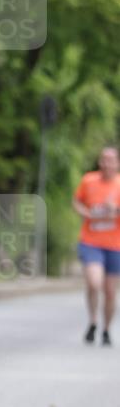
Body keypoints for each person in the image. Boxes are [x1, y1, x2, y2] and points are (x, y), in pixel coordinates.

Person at [72, 145, 120, 346]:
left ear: (117, 163)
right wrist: (84, 211)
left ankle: (106, 329)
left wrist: (115, 209)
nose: (106, 163)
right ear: (99, 162)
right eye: (103, 159)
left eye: (111, 160)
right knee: (94, 282)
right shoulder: (88, 180)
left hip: (115, 245)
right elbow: (76, 201)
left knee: (110, 291)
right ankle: (92, 321)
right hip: (91, 241)